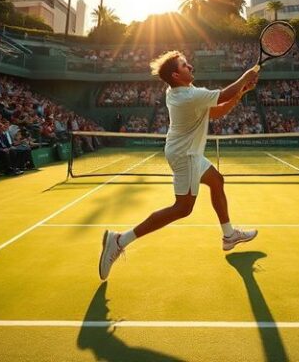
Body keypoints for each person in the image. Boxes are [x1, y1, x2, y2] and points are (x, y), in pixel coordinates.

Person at [98, 51, 259, 280]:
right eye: (185, 65)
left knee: (216, 180)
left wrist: (240, 92)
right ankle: (119, 240)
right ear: (176, 75)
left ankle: (229, 235)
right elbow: (223, 94)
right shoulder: (187, 97)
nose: (191, 67)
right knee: (182, 208)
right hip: (187, 156)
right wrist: (246, 76)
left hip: (186, 152)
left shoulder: (183, 91)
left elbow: (216, 112)